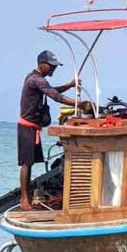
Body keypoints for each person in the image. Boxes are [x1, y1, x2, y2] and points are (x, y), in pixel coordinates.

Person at [18, 50, 90, 209]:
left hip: (32, 126)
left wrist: (69, 85)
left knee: (29, 162)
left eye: (54, 67)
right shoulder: (35, 79)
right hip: (27, 127)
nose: (53, 69)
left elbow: (52, 90)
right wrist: (80, 105)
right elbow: (55, 96)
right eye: (51, 66)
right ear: (42, 65)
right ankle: (24, 199)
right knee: (26, 163)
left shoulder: (39, 80)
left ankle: (27, 196)